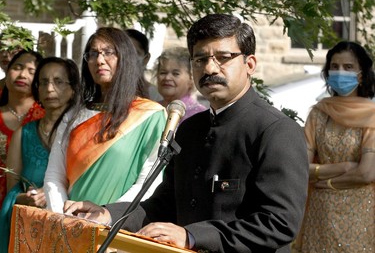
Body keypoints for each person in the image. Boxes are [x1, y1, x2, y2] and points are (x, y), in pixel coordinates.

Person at [64, 14, 309, 253]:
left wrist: (192, 236)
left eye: (223, 57)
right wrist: (108, 214)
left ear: (250, 64)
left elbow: (279, 223)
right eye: (200, 59)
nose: (210, 67)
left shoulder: (277, 131)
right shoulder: (190, 129)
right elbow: (164, 204)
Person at [44, 27, 167, 214]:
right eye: (93, 54)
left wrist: (107, 215)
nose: (99, 60)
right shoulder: (73, 116)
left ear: (125, 57)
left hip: (118, 229)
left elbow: (149, 182)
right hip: (70, 226)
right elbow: (55, 177)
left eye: (109, 52)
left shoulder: (150, 115)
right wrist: (63, 218)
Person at [293, 41, 375, 253]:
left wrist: (326, 182)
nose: (340, 72)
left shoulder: (372, 117)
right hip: (319, 217)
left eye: (348, 67)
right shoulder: (319, 113)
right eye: (335, 67)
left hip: (360, 216)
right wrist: (344, 168)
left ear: (361, 74)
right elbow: (299, 167)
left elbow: (366, 173)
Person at [0, 57, 80, 253]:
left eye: (58, 82)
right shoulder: (24, 134)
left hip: (71, 229)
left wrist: (53, 192)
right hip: (31, 231)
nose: (50, 88)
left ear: (73, 89)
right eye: (43, 82)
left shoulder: (82, 132)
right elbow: (13, 190)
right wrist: (25, 199)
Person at [0, 50, 45, 209]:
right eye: (17, 67)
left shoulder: (46, 119)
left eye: (31, 72)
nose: (23, 75)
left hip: (31, 205)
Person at [155, 46, 207, 123]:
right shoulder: (151, 109)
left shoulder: (198, 115)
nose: (167, 78)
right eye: (163, 73)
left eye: (175, 74)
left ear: (191, 78)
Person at [125, 28, 162, 101]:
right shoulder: (103, 90)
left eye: (133, 53)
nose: (127, 58)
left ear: (146, 59)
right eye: (123, 53)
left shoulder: (155, 96)